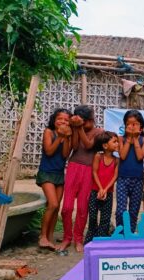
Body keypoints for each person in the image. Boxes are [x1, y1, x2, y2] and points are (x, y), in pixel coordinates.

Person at [60, 105, 104, 253]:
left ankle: (78, 238)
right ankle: (67, 237)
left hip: (89, 170)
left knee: (82, 208)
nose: (83, 125)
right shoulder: (74, 129)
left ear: (91, 120)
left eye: (85, 122)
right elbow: (74, 146)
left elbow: (88, 145)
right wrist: (75, 130)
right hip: (73, 167)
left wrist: (78, 128)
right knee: (66, 207)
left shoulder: (99, 132)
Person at [35, 108, 72, 251]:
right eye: (60, 119)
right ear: (54, 120)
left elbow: (64, 155)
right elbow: (49, 151)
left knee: (56, 207)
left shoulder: (68, 135)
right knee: (52, 204)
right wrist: (60, 137)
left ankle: (49, 238)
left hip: (59, 174)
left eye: (66, 120)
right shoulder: (48, 132)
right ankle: (42, 236)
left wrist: (66, 137)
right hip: (46, 173)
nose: (62, 121)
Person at [116, 110, 144, 233]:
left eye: (134, 124)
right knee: (120, 211)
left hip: (138, 179)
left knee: (134, 211)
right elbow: (123, 156)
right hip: (122, 178)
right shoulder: (120, 138)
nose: (131, 126)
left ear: (141, 126)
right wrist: (129, 139)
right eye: (128, 124)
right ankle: (120, 233)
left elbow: (140, 156)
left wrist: (135, 139)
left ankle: (130, 235)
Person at [84, 131, 119, 243]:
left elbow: (115, 176)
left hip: (108, 193)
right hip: (95, 192)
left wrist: (105, 189)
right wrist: (100, 188)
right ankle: (90, 241)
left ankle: (100, 242)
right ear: (105, 145)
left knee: (105, 218)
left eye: (117, 141)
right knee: (93, 217)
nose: (117, 144)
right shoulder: (98, 156)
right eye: (114, 141)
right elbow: (94, 172)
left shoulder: (117, 160)